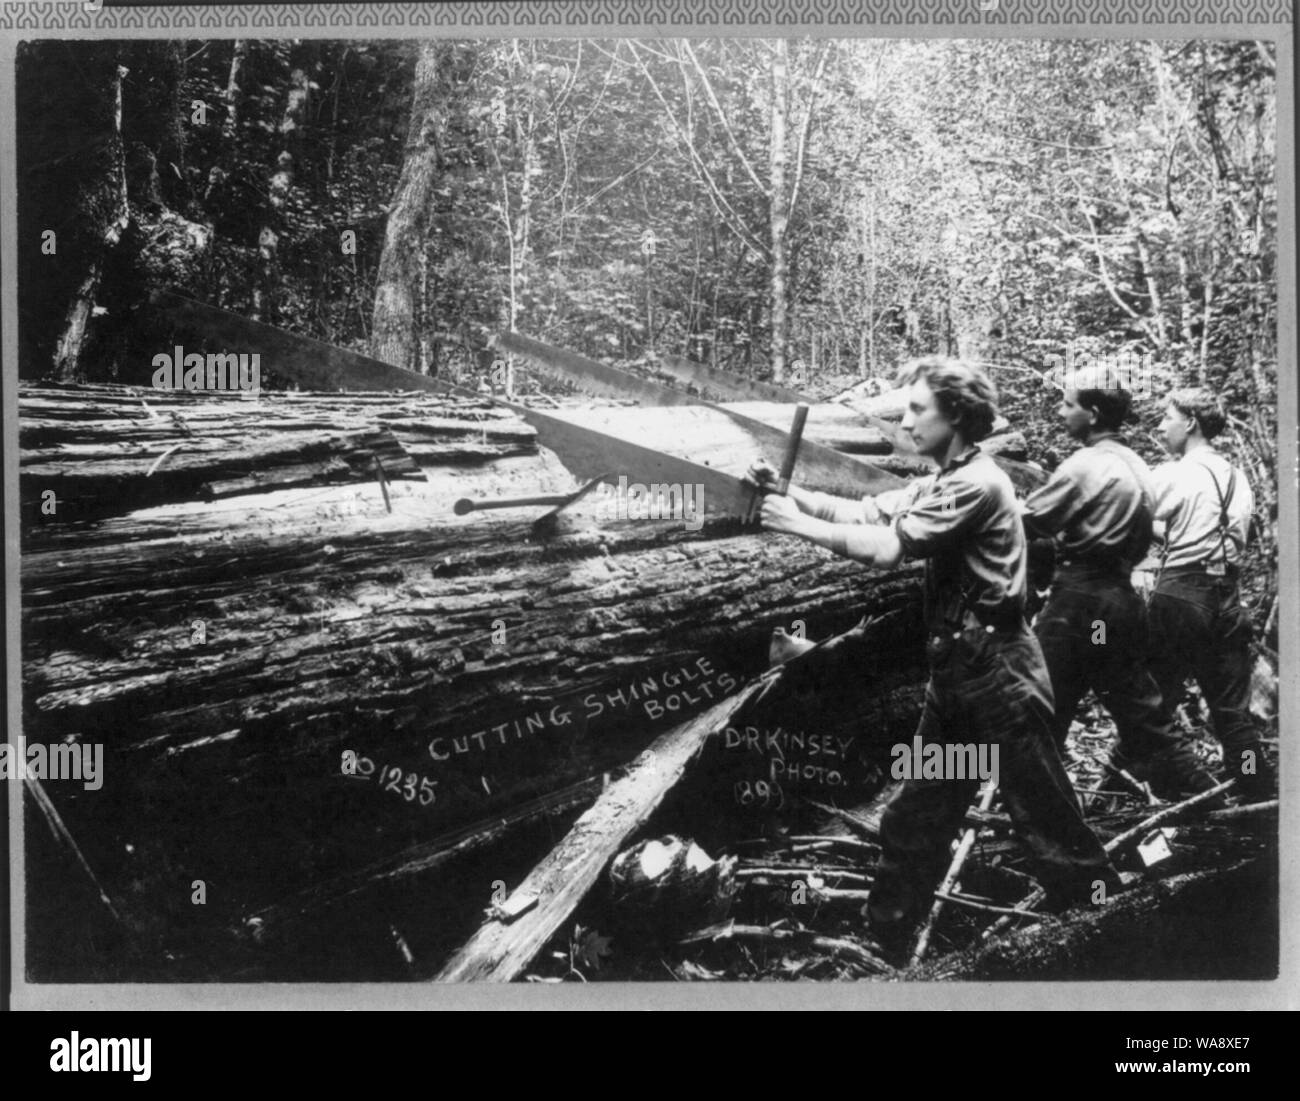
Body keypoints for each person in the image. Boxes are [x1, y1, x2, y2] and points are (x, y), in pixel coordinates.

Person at [749, 356, 1118, 949]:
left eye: (920, 409)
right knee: (915, 815)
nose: (908, 418)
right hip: (957, 677)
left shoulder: (978, 483)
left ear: (957, 415)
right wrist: (787, 493)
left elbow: (888, 548)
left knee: (1047, 821)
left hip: (999, 678)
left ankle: (1118, 936)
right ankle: (885, 945)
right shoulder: (944, 479)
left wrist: (795, 526)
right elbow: (866, 511)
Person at [1021, 369, 1215, 799]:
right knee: (1144, 714)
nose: (1060, 410)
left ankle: (1048, 822)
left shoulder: (1087, 463)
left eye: (1067, 404)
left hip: (1080, 604)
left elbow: (1030, 520)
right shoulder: (1139, 466)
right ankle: (1214, 795)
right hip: (1117, 604)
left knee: (1040, 707)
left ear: (1091, 414)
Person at [1143, 388, 1273, 801]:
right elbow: (1226, 535)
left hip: (1181, 594)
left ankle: (1186, 785)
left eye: (1168, 417)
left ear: (1191, 422)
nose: (1161, 427)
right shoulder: (1238, 478)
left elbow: (1129, 515)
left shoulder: (1173, 474)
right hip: (1227, 598)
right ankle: (1256, 788)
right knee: (1233, 711)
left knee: (1154, 702)